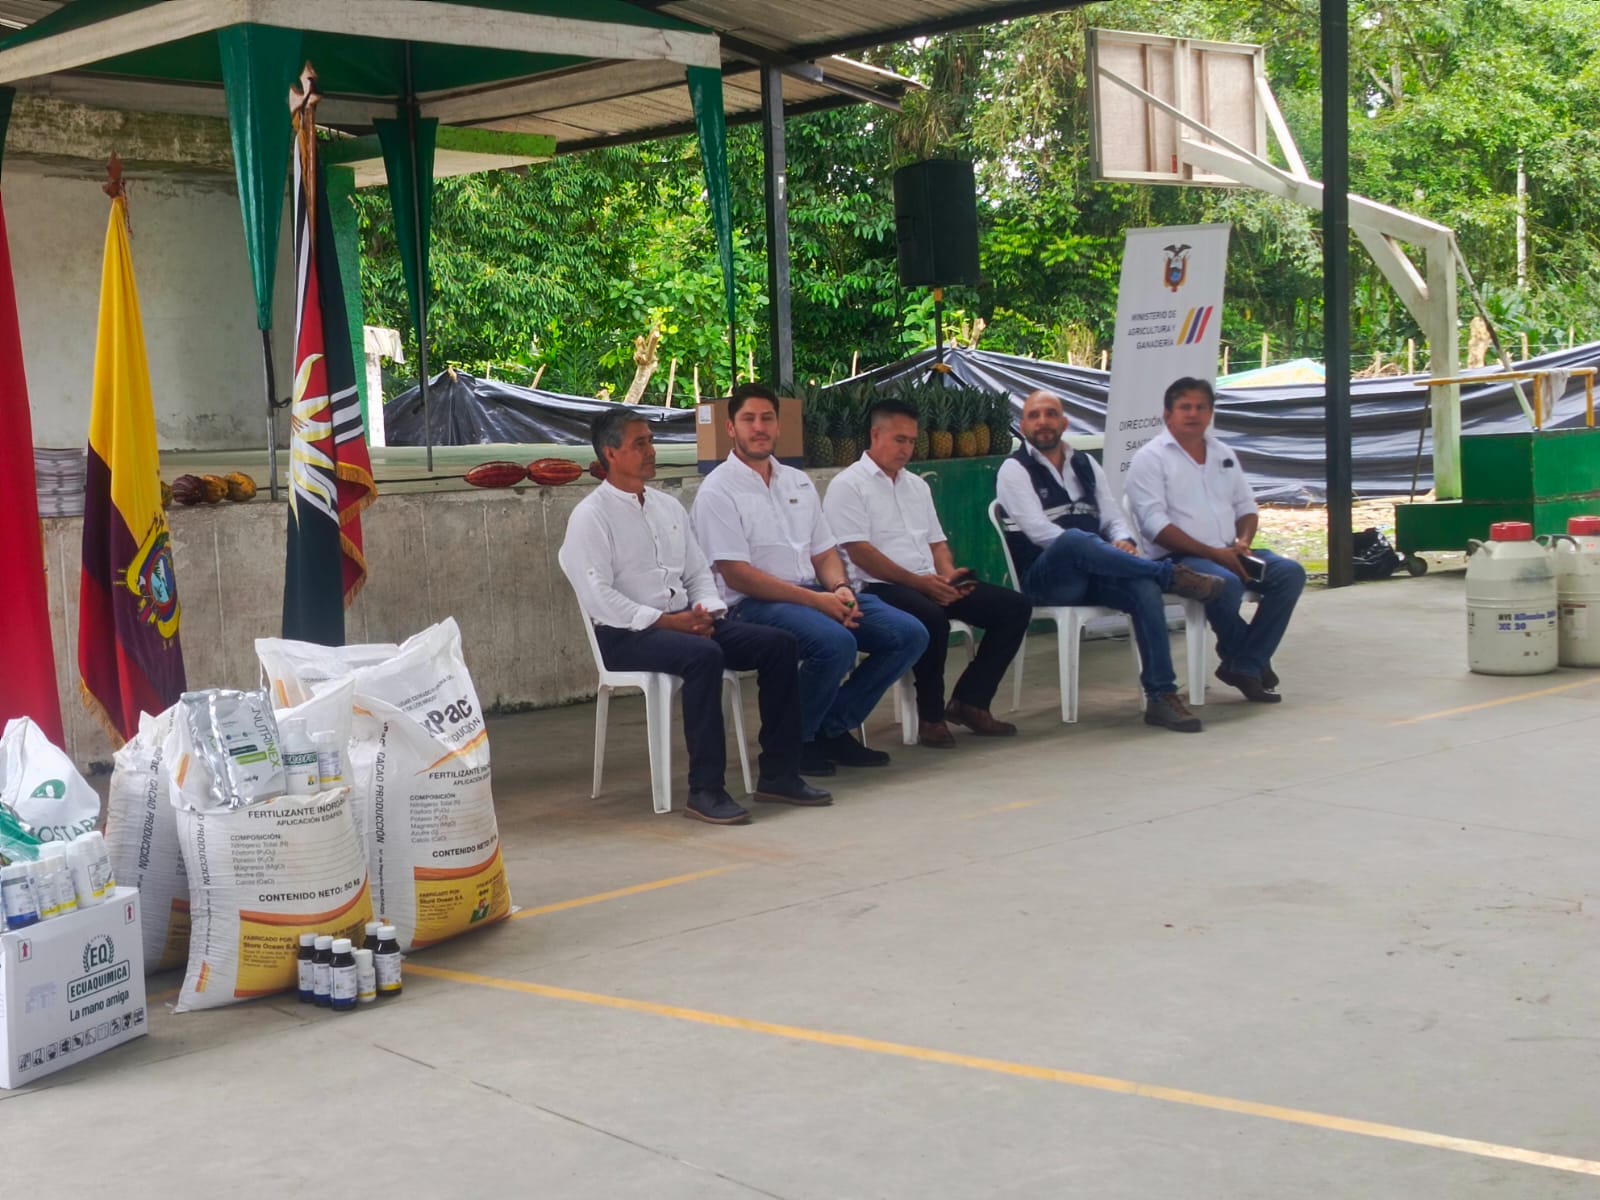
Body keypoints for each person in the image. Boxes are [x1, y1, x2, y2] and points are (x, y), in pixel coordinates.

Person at [559, 407, 832, 826]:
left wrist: (707, 610)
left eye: (651, 441)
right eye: (639, 444)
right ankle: (706, 790)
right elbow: (599, 597)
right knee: (704, 657)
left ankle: (779, 773)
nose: (651, 451)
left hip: (686, 621)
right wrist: (667, 622)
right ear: (610, 454)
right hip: (626, 634)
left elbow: (698, 572)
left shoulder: (667, 507)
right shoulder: (591, 516)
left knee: (778, 645)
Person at [691, 383, 929, 774]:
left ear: (778, 425)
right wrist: (818, 602)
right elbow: (737, 575)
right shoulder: (718, 490)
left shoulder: (797, 481)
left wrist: (840, 589)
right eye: (748, 419)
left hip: (816, 593)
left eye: (767, 418)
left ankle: (829, 727)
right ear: (731, 428)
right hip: (751, 606)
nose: (759, 427)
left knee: (908, 634)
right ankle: (795, 741)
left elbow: (824, 552)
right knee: (835, 643)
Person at [994, 389, 1225, 733]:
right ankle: (1169, 575)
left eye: (1051, 414)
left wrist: (1123, 542)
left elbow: (1113, 517)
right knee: (1074, 540)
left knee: (1144, 588)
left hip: (1096, 572)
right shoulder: (1014, 470)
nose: (1043, 422)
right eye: (1034, 415)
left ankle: (1161, 696)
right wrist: (1099, 549)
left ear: (1064, 423)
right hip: (1047, 580)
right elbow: (1040, 532)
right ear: (1023, 426)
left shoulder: (1086, 464)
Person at [824, 397, 1033, 747]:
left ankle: (970, 701)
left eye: (911, 440)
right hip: (878, 587)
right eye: (899, 440)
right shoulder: (848, 485)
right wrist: (920, 584)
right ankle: (931, 717)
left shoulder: (917, 485)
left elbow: (937, 544)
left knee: (1014, 607)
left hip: (927, 580)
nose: (907, 449)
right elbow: (860, 553)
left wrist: (948, 575)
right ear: (875, 435)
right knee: (931, 616)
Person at [1124, 377, 1305, 703]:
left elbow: (1246, 507)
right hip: (1177, 559)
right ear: (1167, 414)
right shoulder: (1150, 458)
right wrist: (1213, 554)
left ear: (1210, 413)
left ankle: (1245, 663)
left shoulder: (1223, 453)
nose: (1193, 414)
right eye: (1185, 407)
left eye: (1201, 407)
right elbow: (1155, 526)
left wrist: (1243, 541)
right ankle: (1248, 663)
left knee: (1290, 573)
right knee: (1225, 583)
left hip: (1230, 551)